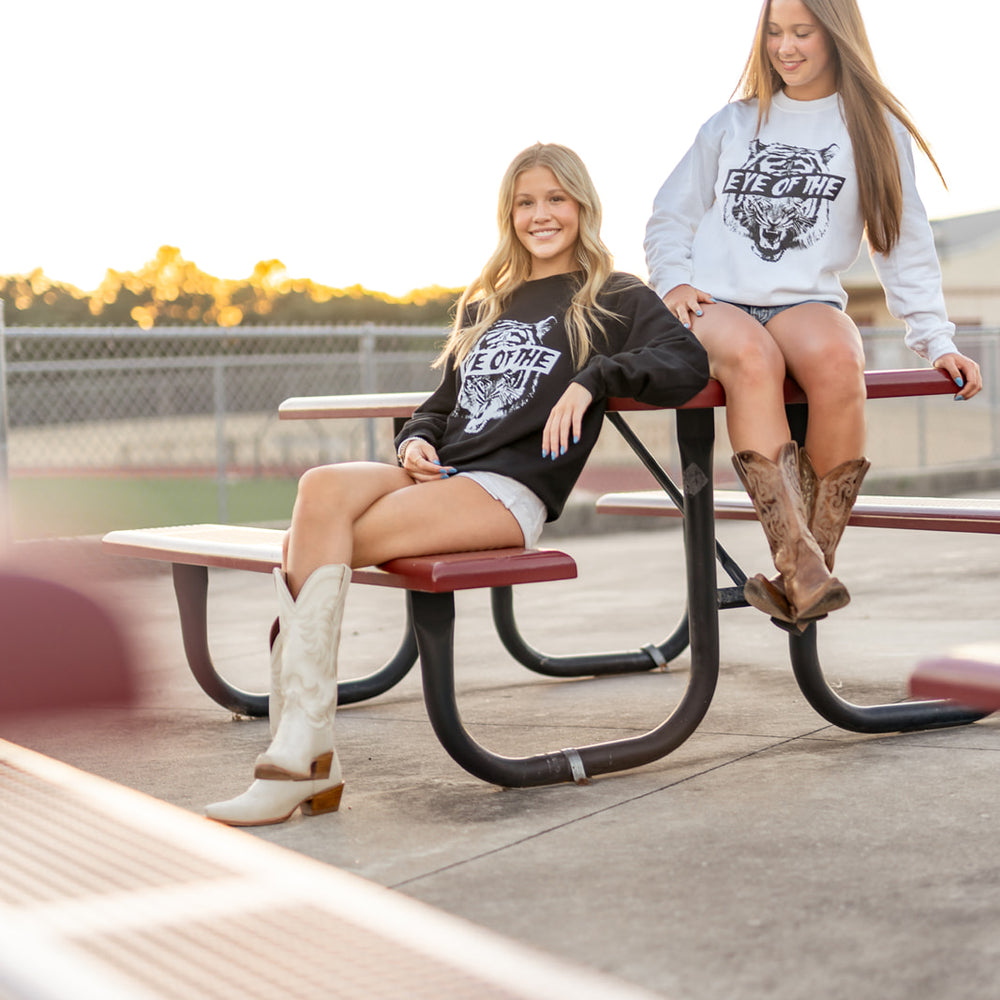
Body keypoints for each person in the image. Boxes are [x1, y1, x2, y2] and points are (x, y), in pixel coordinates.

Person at [206, 142, 710, 826]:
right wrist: (415, 438)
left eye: (555, 199)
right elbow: (441, 404)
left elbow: (685, 361)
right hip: (443, 472)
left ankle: (301, 757)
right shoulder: (488, 304)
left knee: (315, 544)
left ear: (583, 206)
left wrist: (594, 380)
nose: (541, 215)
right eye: (525, 202)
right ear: (509, 214)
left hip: (505, 490)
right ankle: (302, 754)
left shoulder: (615, 297)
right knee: (322, 488)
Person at [644, 0, 982, 630]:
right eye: (774, 32)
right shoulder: (733, 123)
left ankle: (807, 572)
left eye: (801, 31)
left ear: (837, 34)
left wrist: (935, 338)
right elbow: (670, 215)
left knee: (837, 355)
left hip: (805, 300)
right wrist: (675, 281)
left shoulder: (874, 129)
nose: (785, 47)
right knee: (752, 355)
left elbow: (903, 242)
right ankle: (801, 563)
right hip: (715, 300)